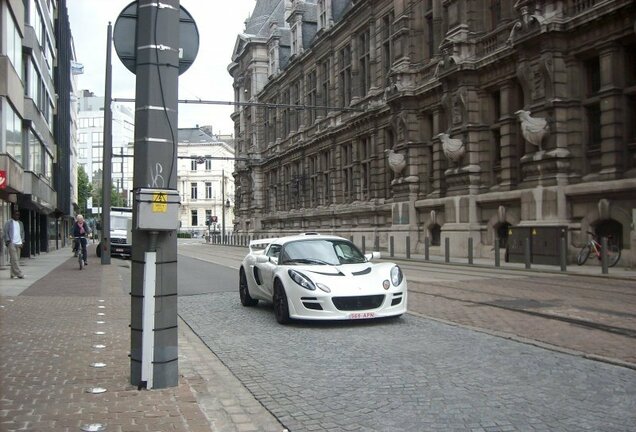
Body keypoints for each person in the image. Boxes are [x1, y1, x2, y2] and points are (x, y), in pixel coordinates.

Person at [3, 209, 25, 279]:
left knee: (16, 259)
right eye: (16, 214)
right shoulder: (9, 222)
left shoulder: (20, 223)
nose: (17, 216)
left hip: (19, 243)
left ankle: (12, 274)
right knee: (15, 259)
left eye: (18, 215)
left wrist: (22, 241)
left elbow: (22, 233)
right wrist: (8, 241)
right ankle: (19, 273)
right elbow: (5, 232)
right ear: (13, 215)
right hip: (11, 243)